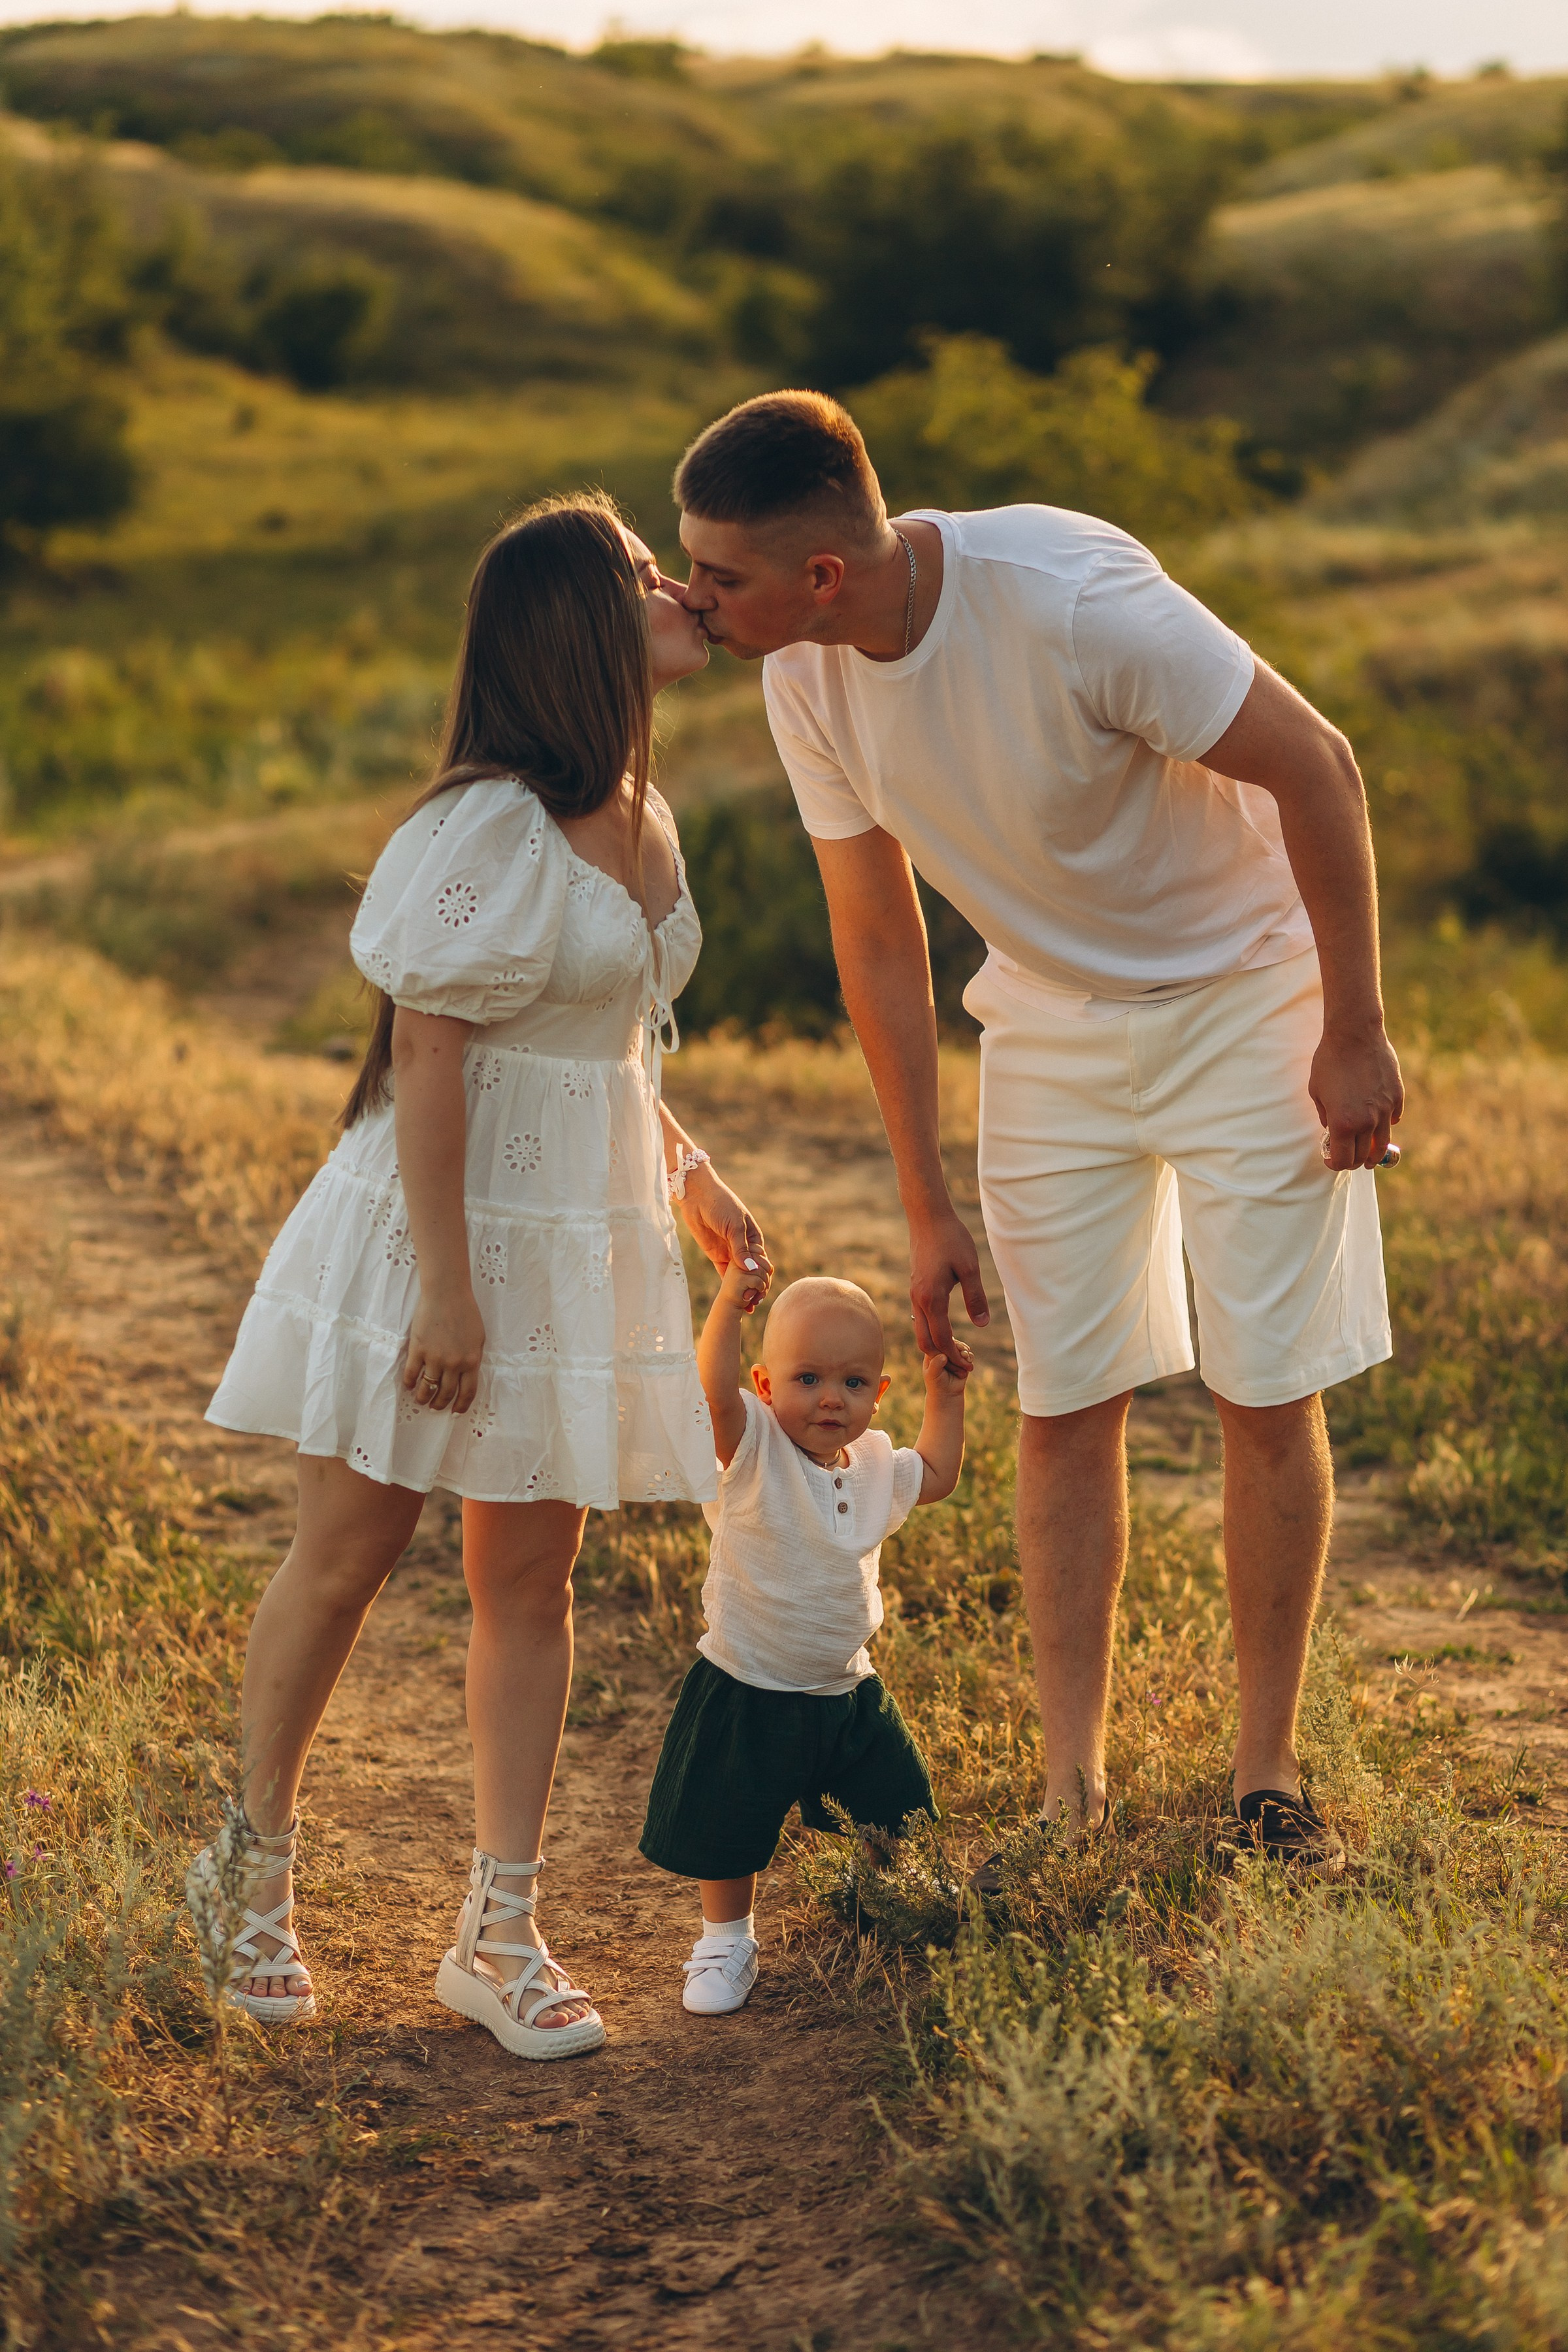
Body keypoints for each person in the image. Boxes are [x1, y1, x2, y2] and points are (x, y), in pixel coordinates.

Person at [672, 391, 1405, 1878]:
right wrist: (922, 1194)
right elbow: (873, 933)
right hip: (1048, 1027)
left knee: (1262, 1387)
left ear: (821, 573)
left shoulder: (1069, 601)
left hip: (1241, 992)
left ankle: (1260, 1773)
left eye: (717, 575)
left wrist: (1348, 1030)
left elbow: (1316, 764)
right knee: (1065, 1397)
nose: (691, 598)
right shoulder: (803, 673)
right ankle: (1068, 1789)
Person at [186, 493, 772, 2059]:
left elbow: (596, 1054)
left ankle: (495, 1929)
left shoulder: (646, 820)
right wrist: (449, 1293)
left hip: (571, 1231)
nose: (680, 591)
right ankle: (251, 1871)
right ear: (577, 622)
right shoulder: (484, 827)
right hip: (436, 1232)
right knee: (348, 1552)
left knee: (531, 1578)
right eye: (648, 577)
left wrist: (685, 1171)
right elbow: (433, 1064)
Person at [639, 1266, 970, 2014]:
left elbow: (941, 1472)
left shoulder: (878, 1464)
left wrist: (946, 1396)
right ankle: (726, 1941)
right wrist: (728, 1304)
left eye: (854, 1383)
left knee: (899, 1807)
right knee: (729, 1829)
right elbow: (714, 1397)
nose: (830, 1397)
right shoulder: (753, 1447)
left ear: (878, 1395)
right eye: (808, 1377)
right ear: (765, 1383)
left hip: (848, 1688)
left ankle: (889, 1901)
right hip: (749, 1684)